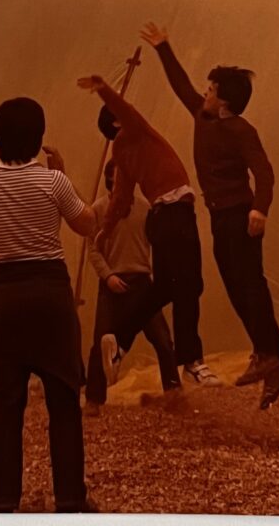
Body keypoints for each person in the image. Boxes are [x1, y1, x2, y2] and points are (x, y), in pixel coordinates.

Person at [139, 22, 279, 410]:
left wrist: (260, 208)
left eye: (210, 90)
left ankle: (269, 356)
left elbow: (265, 172)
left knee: (248, 284)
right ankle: (270, 359)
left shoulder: (241, 130)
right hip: (220, 217)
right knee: (238, 284)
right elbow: (180, 85)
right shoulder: (203, 117)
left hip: (239, 215)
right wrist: (163, 48)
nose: (203, 94)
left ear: (223, 102)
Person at [0, 96, 98, 514]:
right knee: (63, 405)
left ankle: (3, 502)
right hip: (51, 296)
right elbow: (87, 223)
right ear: (39, 138)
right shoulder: (52, 183)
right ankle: (70, 500)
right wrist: (66, 176)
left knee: (6, 409)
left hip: (8, 297)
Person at [77, 74, 220, 388]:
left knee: (166, 289)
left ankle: (120, 342)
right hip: (174, 213)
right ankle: (192, 361)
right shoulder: (134, 132)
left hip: (162, 218)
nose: (132, 112)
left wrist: (106, 230)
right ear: (117, 123)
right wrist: (103, 89)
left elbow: (122, 199)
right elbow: (123, 109)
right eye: (123, 113)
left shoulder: (122, 154)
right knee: (189, 284)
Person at [85, 158, 181, 414]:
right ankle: (93, 400)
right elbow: (93, 250)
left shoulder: (145, 209)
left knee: (162, 340)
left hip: (142, 283)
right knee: (101, 341)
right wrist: (108, 277)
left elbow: (158, 242)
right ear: (109, 182)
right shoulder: (98, 209)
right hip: (112, 283)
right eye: (116, 181)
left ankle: (174, 395)